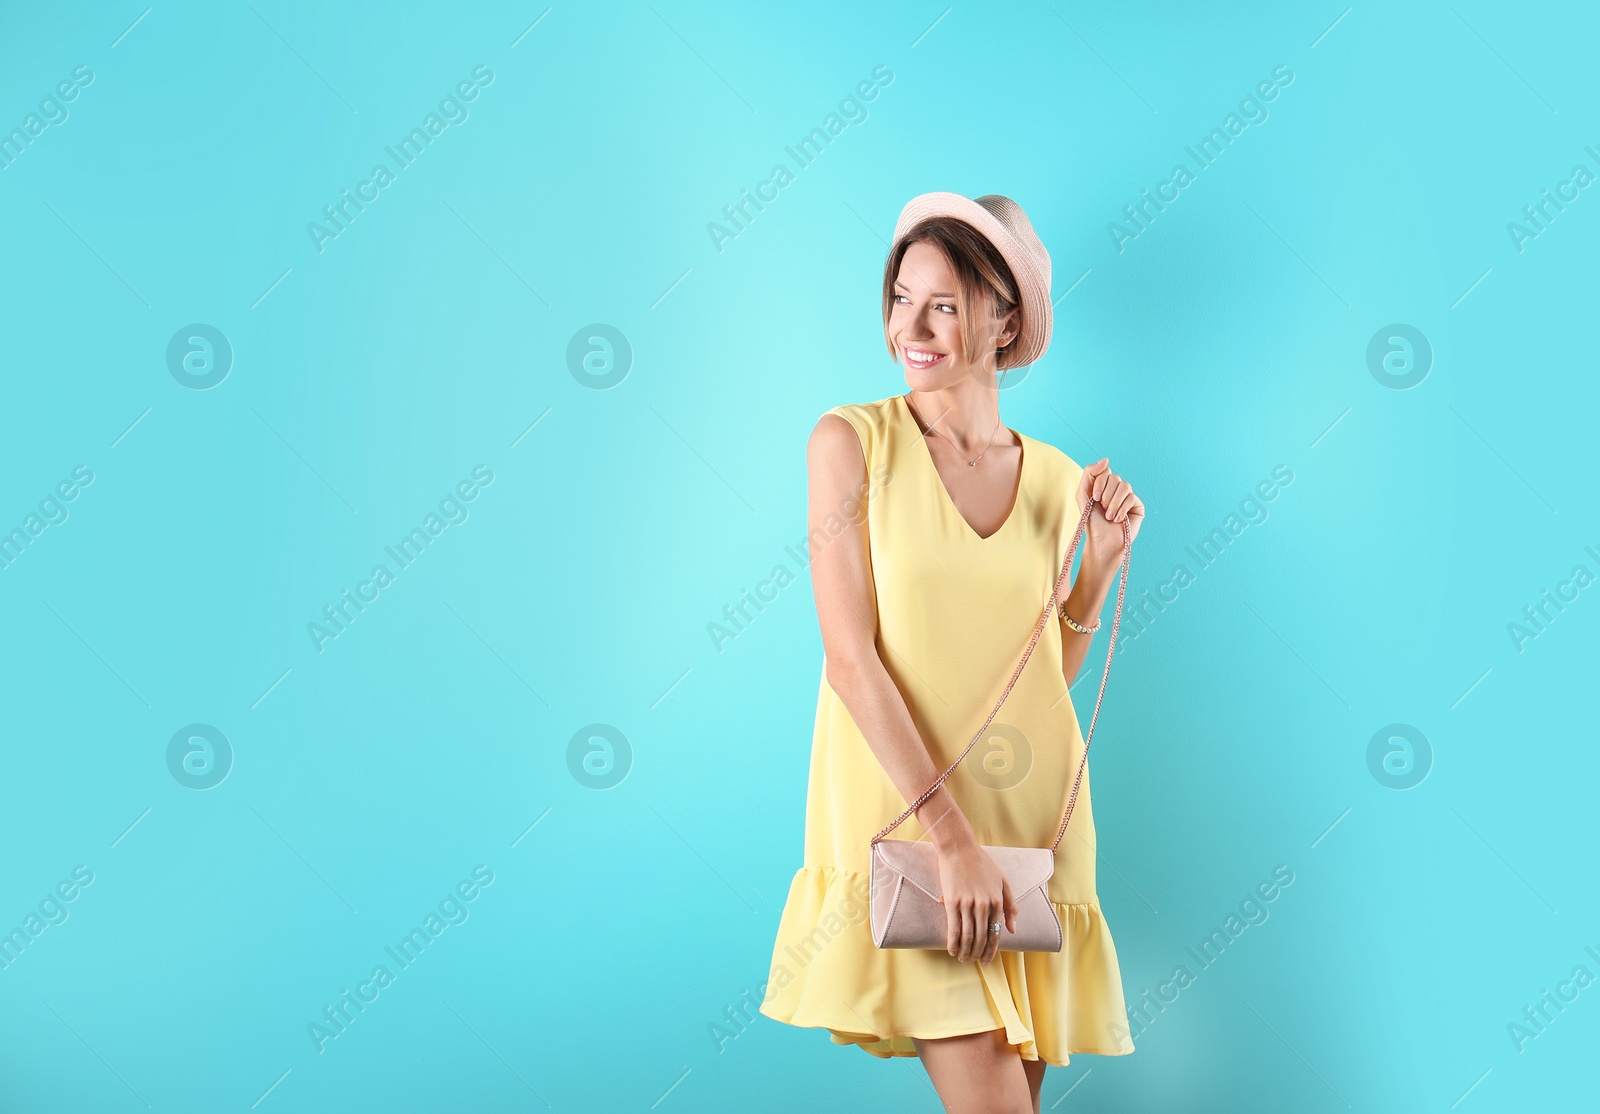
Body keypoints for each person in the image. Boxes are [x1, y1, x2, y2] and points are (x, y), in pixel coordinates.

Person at [758, 192, 1146, 1114]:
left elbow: (1041, 681)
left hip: (1030, 837)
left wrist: (1098, 570)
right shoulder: (850, 443)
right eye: (903, 298)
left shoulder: (1056, 476)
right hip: (923, 838)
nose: (913, 328)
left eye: (945, 304)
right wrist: (953, 842)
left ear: (1006, 317)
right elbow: (850, 658)